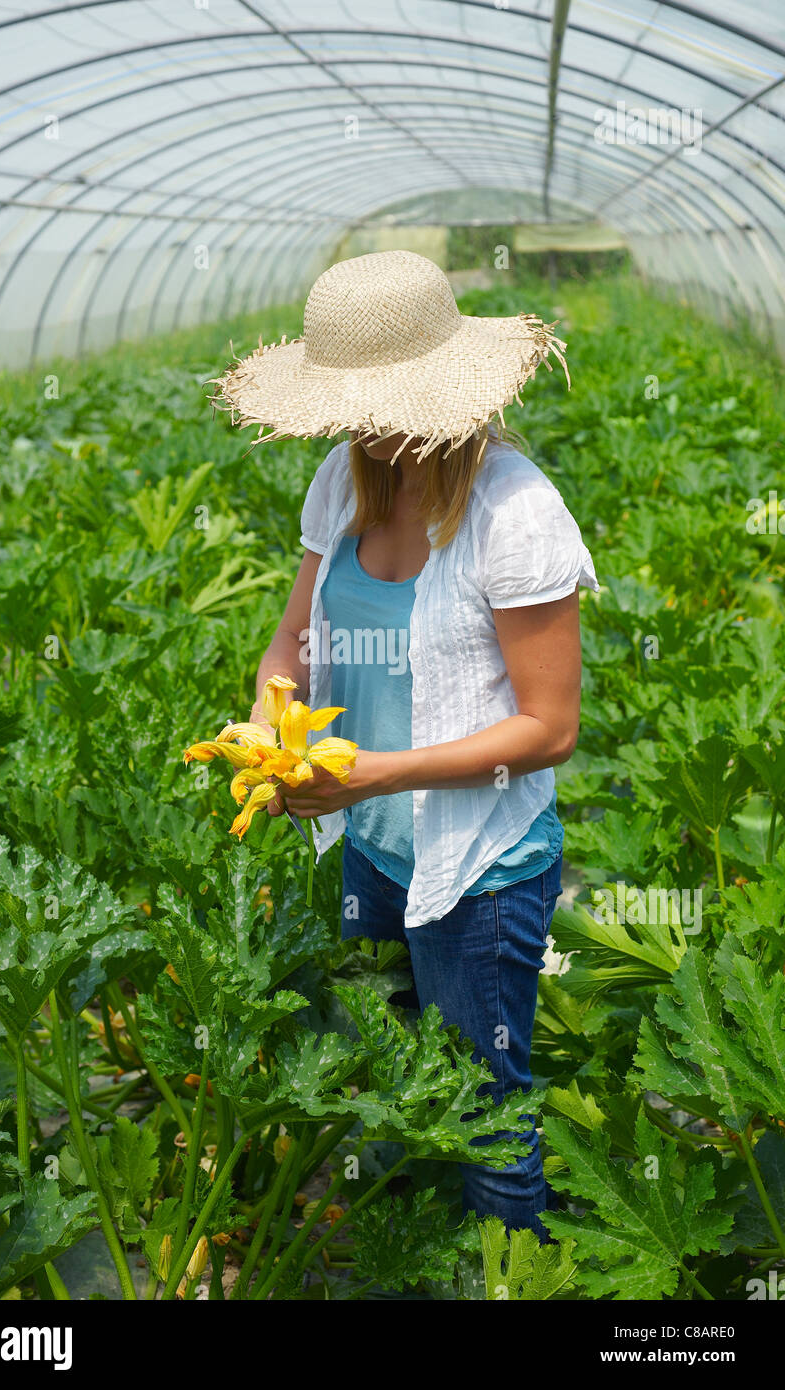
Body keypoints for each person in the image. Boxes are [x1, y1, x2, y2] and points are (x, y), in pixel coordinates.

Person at [212, 249, 598, 1240]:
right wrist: (269, 719)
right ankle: (415, 1245)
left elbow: (548, 729)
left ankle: (517, 1260)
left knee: (483, 1106)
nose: (362, 423)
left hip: (476, 871)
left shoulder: (514, 514)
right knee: (392, 1075)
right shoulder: (343, 486)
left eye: (379, 399)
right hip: (369, 851)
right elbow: (293, 636)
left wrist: (373, 772)